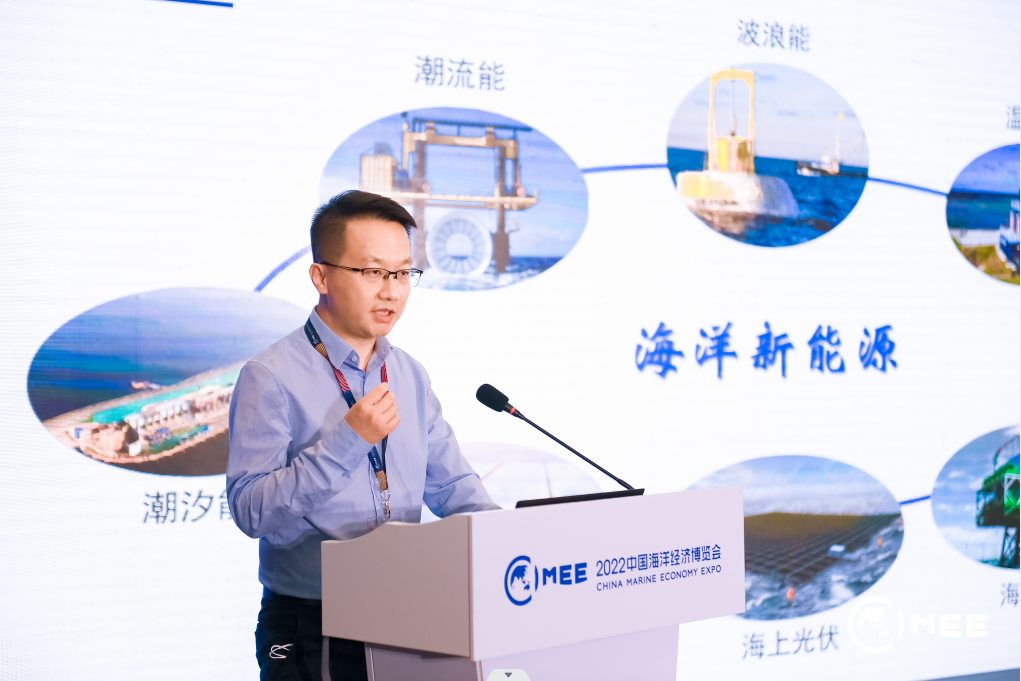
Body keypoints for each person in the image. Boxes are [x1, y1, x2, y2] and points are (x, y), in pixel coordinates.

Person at [226, 190, 501, 681]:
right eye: (373, 272)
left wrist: (511, 541)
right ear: (321, 276)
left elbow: (452, 486)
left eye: (403, 273)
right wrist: (349, 440)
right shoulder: (269, 376)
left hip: (407, 610)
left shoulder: (408, 373)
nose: (392, 291)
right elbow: (251, 510)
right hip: (313, 622)